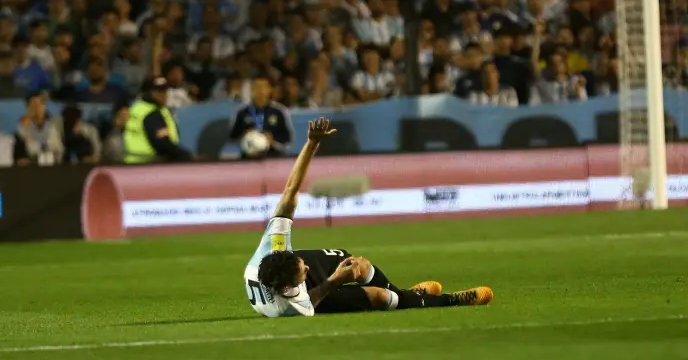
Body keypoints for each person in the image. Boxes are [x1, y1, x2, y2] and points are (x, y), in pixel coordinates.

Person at [243, 118, 493, 317]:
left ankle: (408, 294)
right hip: (310, 297)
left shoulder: (272, 249)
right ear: (290, 287)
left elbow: (289, 191)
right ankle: (449, 300)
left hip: (280, 274)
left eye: (301, 263)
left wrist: (312, 144)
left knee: (351, 261)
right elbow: (313, 298)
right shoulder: (287, 306)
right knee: (380, 297)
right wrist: (335, 279)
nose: (306, 267)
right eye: (303, 272)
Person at [123, 77, 193, 164]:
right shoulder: (151, 113)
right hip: (150, 163)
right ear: (147, 93)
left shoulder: (137, 108)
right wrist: (187, 156)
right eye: (158, 91)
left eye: (165, 90)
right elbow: (162, 144)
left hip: (133, 163)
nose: (164, 95)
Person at [229, 74, 293, 157]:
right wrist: (244, 135)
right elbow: (232, 137)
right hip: (248, 156)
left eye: (264, 87)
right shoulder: (242, 112)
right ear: (252, 90)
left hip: (272, 155)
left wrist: (272, 140)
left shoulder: (278, 112)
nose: (261, 90)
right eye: (257, 87)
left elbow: (287, 139)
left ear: (270, 90)